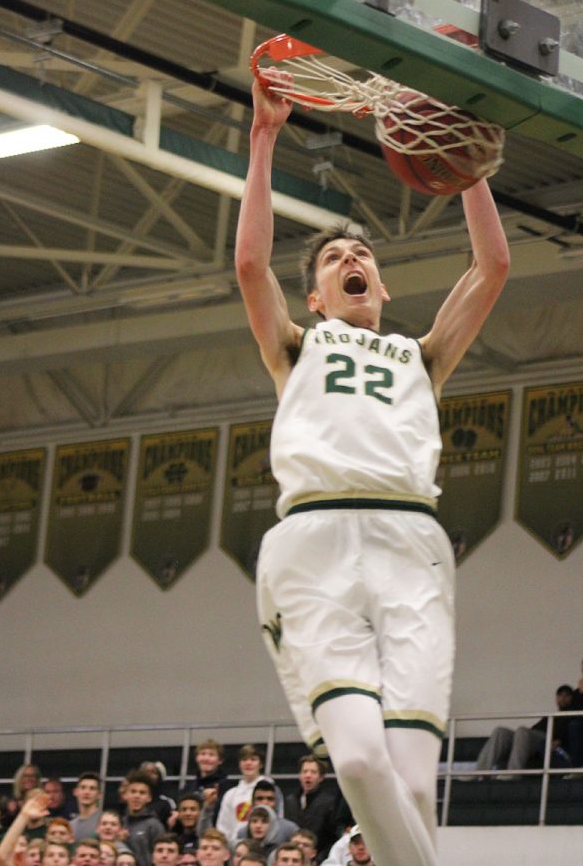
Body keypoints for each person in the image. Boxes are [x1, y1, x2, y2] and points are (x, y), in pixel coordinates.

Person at [236, 68, 510, 866]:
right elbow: (252, 268)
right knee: (357, 763)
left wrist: (469, 171)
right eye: (335, 259)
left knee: (415, 793)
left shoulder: (419, 356)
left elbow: (491, 267)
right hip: (316, 541)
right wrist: (263, 136)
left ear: (381, 287)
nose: (352, 258)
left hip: (411, 545)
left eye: (363, 254)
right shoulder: (298, 345)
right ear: (319, 298)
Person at [473, 684, 574, 776]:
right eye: (560, 695)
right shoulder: (550, 717)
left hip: (547, 740)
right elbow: (533, 730)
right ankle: (479, 772)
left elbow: (570, 733)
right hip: (533, 739)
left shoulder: (574, 715)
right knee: (500, 731)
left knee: (522, 731)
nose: (562, 698)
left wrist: (559, 740)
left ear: (572, 698)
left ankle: (512, 773)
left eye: (566, 695)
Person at [216, 748, 281, 843]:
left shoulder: (272, 790)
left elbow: (279, 818)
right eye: (244, 760)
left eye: (253, 759)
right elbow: (223, 827)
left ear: (261, 764)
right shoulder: (231, 794)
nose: (248, 763)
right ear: (239, 764)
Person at [283, 759, 337, 863]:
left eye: (313, 772)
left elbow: (332, 837)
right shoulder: (290, 801)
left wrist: (319, 858)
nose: (308, 775)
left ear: (321, 777)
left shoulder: (329, 802)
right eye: (305, 771)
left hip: (316, 859)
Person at [121, 771, 164, 866]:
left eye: (142, 793)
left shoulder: (154, 825)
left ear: (149, 798)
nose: (137, 796)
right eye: (133, 791)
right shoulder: (119, 823)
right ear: (125, 795)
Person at [181, 740, 229, 825]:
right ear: (197, 758)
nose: (206, 758)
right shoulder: (188, 787)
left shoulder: (226, 786)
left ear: (220, 760)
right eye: (203, 754)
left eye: (211, 755)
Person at [139, 764, 175, 829]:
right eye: (146, 772)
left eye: (153, 772)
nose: (148, 775)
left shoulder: (166, 802)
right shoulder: (133, 799)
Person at [70, 774, 102, 843]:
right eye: (83, 787)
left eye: (92, 788)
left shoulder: (104, 822)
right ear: (75, 792)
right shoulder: (70, 826)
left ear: (99, 795)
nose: (87, 792)